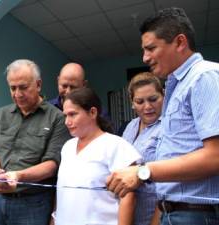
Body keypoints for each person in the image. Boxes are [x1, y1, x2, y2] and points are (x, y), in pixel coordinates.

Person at [106, 7, 219, 225]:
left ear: (179, 42)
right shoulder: (176, 87)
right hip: (174, 211)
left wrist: (142, 172)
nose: (145, 57)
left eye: (150, 48)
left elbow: (215, 156)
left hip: (197, 214)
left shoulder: (205, 77)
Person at [0, 59, 71, 225]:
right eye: (12, 88)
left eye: (23, 87)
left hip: (32, 205)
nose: (17, 94)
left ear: (38, 85)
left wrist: (18, 176)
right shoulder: (1, 115)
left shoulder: (57, 118)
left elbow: (52, 164)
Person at [54, 87, 140, 225]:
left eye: (72, 114)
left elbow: (128, 196)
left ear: (92, 112)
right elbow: (62, 192)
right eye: (65, 116)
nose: (67, 122)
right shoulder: (67, 147)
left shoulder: (115, 145)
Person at [122, 72, 164, 225]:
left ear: (163, 95)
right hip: (129, 212)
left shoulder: (169, 126)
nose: (147, 107)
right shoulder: (131, 126)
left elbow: (170, 183)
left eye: (153, 99)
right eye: (140, 101)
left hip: (155, 213)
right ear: (132, 103)